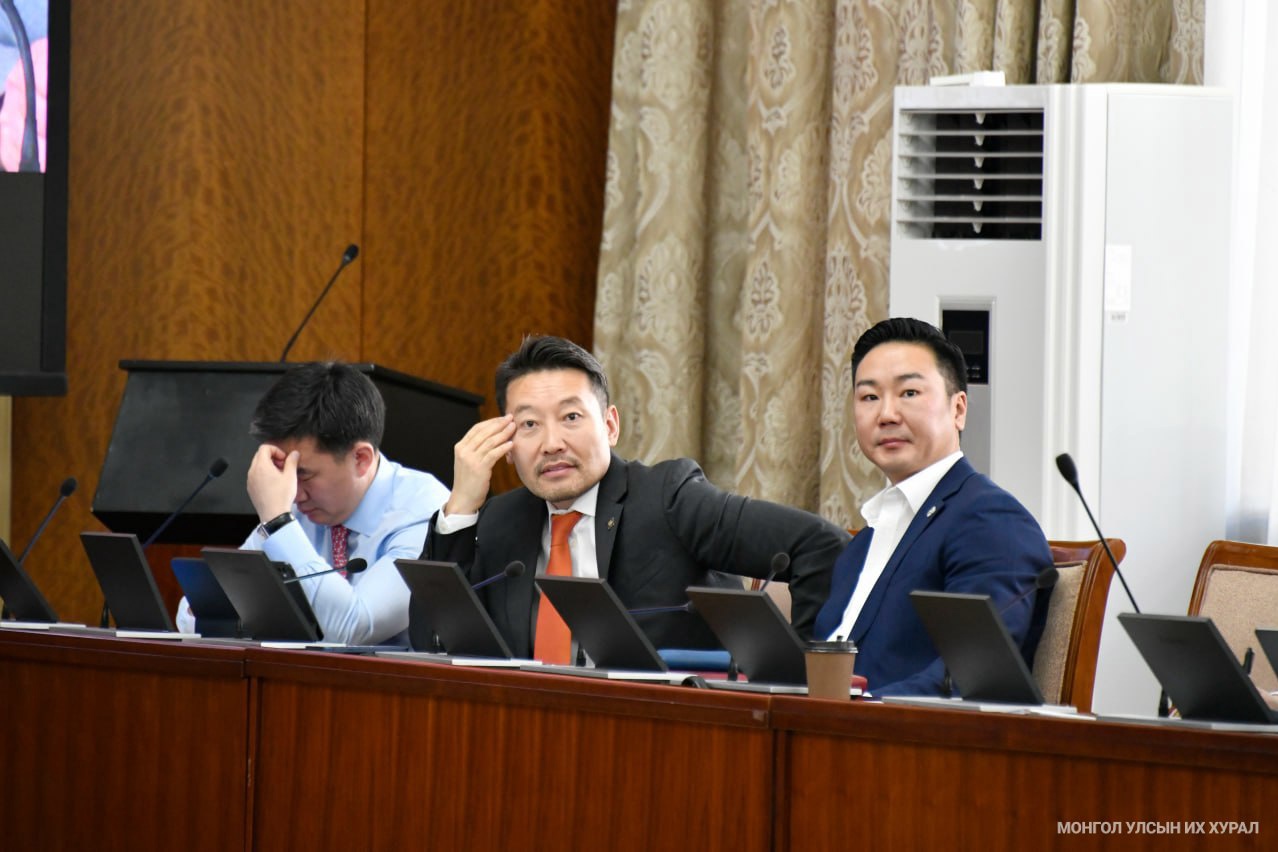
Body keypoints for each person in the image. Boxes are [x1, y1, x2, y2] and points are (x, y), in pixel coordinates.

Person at [423, 335, 849, 661]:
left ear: (610, 426)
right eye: (529, 425)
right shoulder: (500, 520)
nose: (552, 443)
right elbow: (430, 641)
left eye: (571, 417)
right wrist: (460, 508)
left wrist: (802, 682)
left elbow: (820, 546)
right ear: (507, 444)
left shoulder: (669, 498)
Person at [813, 317, 1054, 696]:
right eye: (869, 397)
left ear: (958, 410)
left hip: (904, 731)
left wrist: (862, 709)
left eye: (909, 393)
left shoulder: (990, 520)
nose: (886, 414)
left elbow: (972, 673)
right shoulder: (862, 545)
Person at [176, 361, 449, 644]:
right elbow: (192, 616)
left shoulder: (425, 511)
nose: (294, 493)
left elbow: (353, 629)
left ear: (361, 459)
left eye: (303, 474)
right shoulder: (294, 509)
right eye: (284, 473)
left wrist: (279, 522)